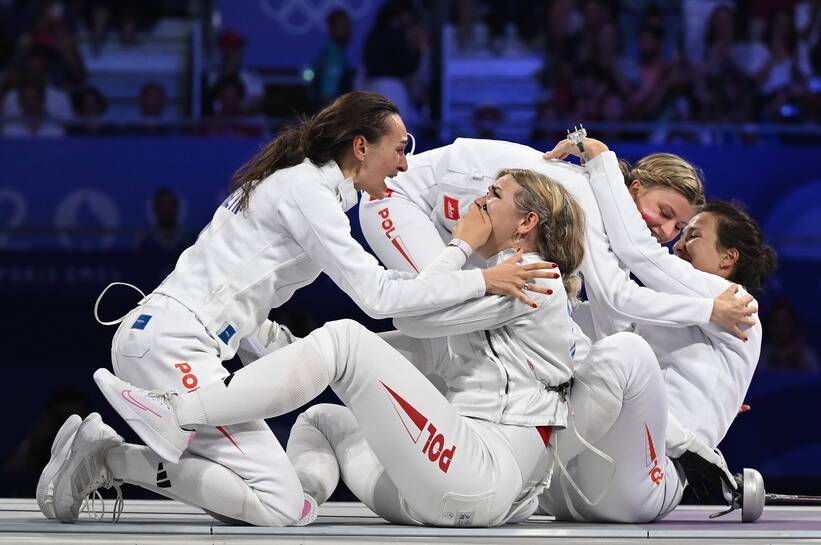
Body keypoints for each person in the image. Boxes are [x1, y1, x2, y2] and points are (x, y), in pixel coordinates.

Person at [37, 91, 555, 526]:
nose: (405, 164)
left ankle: (104, 450)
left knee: (240, 501)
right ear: (361, 146)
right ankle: (109, 455)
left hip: (177, 338)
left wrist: (281, 353)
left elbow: (367, 289)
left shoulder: (311, 189)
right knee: (280, 507)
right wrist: (473, 268)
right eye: (399, 148)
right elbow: (379, 298)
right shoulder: (306, 191)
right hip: (174, 347)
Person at [94, 168, 592, 527]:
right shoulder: (501, 285)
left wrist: (459, 245)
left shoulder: (537, 279)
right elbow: (422, 353)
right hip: (440, 484)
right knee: (320, 422)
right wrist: (281, 342)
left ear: (526, 222)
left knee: (346, 340)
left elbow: (411, 315)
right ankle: (294, 503)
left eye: (494, 194)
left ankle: (179, 411)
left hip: (478, 473)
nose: (478, 202)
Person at [535, 136, 777, 522]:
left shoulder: (735, 303)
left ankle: (519, 465)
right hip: (576, 485)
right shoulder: (665, 312)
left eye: (692, 233)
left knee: (626, 351)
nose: (678, 244)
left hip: (649, 479)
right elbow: (605, 305)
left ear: (728, 258)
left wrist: (601, 166)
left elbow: (638, 253)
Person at [357, 137, 754, 346]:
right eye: (665, 213)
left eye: (678, 227)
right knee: (443, 310)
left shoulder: (603, 213)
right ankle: (357, 353)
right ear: (633, 189)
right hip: (399, 198)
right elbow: (618, 298)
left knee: (489, 320)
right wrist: (708, 310)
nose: (667, 234)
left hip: (458, 231)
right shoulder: (585, 203)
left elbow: (613, 322)